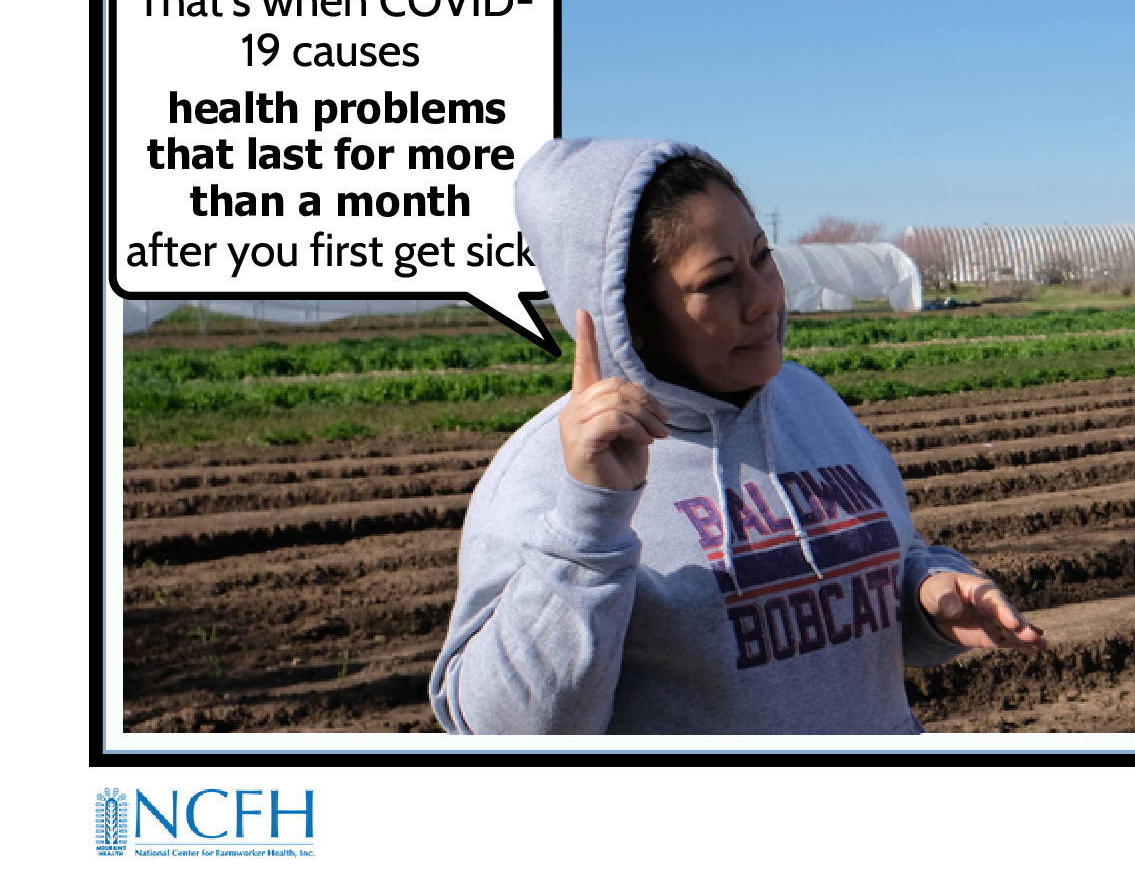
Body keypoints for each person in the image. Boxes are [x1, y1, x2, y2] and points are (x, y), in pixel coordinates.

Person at [435, 140, 1041, 732]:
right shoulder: (549, 473)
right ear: (632, 318)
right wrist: (586, 525)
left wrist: (926, 595)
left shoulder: (811, 405)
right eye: (718, 282)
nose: (765, 300)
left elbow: (880, 577)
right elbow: (502, 730)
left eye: (761, 257)